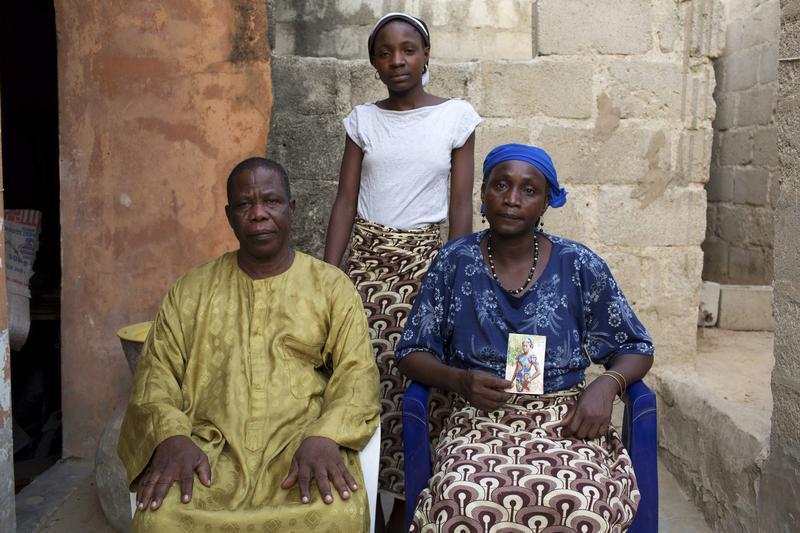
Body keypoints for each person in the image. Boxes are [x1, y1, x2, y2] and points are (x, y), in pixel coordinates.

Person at [396, 144, 655, 531]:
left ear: (547, 201)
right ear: (483, 193)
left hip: (565, 418)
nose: (512, 200)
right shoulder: (454, 261)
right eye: (501, 185)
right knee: (462, 498)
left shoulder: (579, 264)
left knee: (584, 498)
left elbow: (636, 347)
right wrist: (459, 380)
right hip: (477, 419)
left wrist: (607, 384)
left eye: (529, 190)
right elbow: (411, 351)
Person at [118, 157, 381, 532]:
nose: (258, 214)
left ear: (291, 209)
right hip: (209, 454)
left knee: (337, 514)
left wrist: (326, 435)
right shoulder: (190, 291)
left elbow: (358, 374)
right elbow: (154, 376)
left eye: (271, 202)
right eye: (245, 204)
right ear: (229, 215)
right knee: (160, 519)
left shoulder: (331, 287)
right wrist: (171, 436)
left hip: (298, 450)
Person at [323, 11, 481, 532]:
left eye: (408, 49)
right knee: (359, 378)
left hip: (423, 264)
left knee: (413, 377)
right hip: (366, 267)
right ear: (373, 63)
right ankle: (364, 498)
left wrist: (453, 278)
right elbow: (346, 200)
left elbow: (461, 207)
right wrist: (326, 277)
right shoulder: (363, 121)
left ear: (426, 54)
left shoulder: (456, 117)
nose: (397, 60)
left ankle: (406, 499)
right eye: (385, 52)